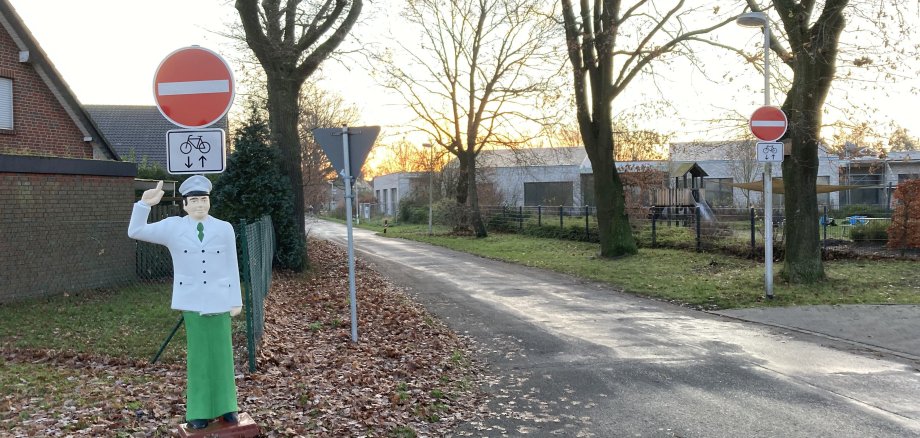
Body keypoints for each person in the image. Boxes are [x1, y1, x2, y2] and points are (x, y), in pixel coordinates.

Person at [128, 176, 242, 430]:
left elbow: (231, 264)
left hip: (221, 299)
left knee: (224, 356)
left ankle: (227, 407)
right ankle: (199, 411)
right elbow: (135, 231)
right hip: (192, 301)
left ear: (209, 202)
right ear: (185, 205)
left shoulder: (224, 228)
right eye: (194, 200)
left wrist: (236, 299)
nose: (200, 205)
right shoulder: (173, 227)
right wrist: (144, 205)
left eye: (204, 199)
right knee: (199, 357)